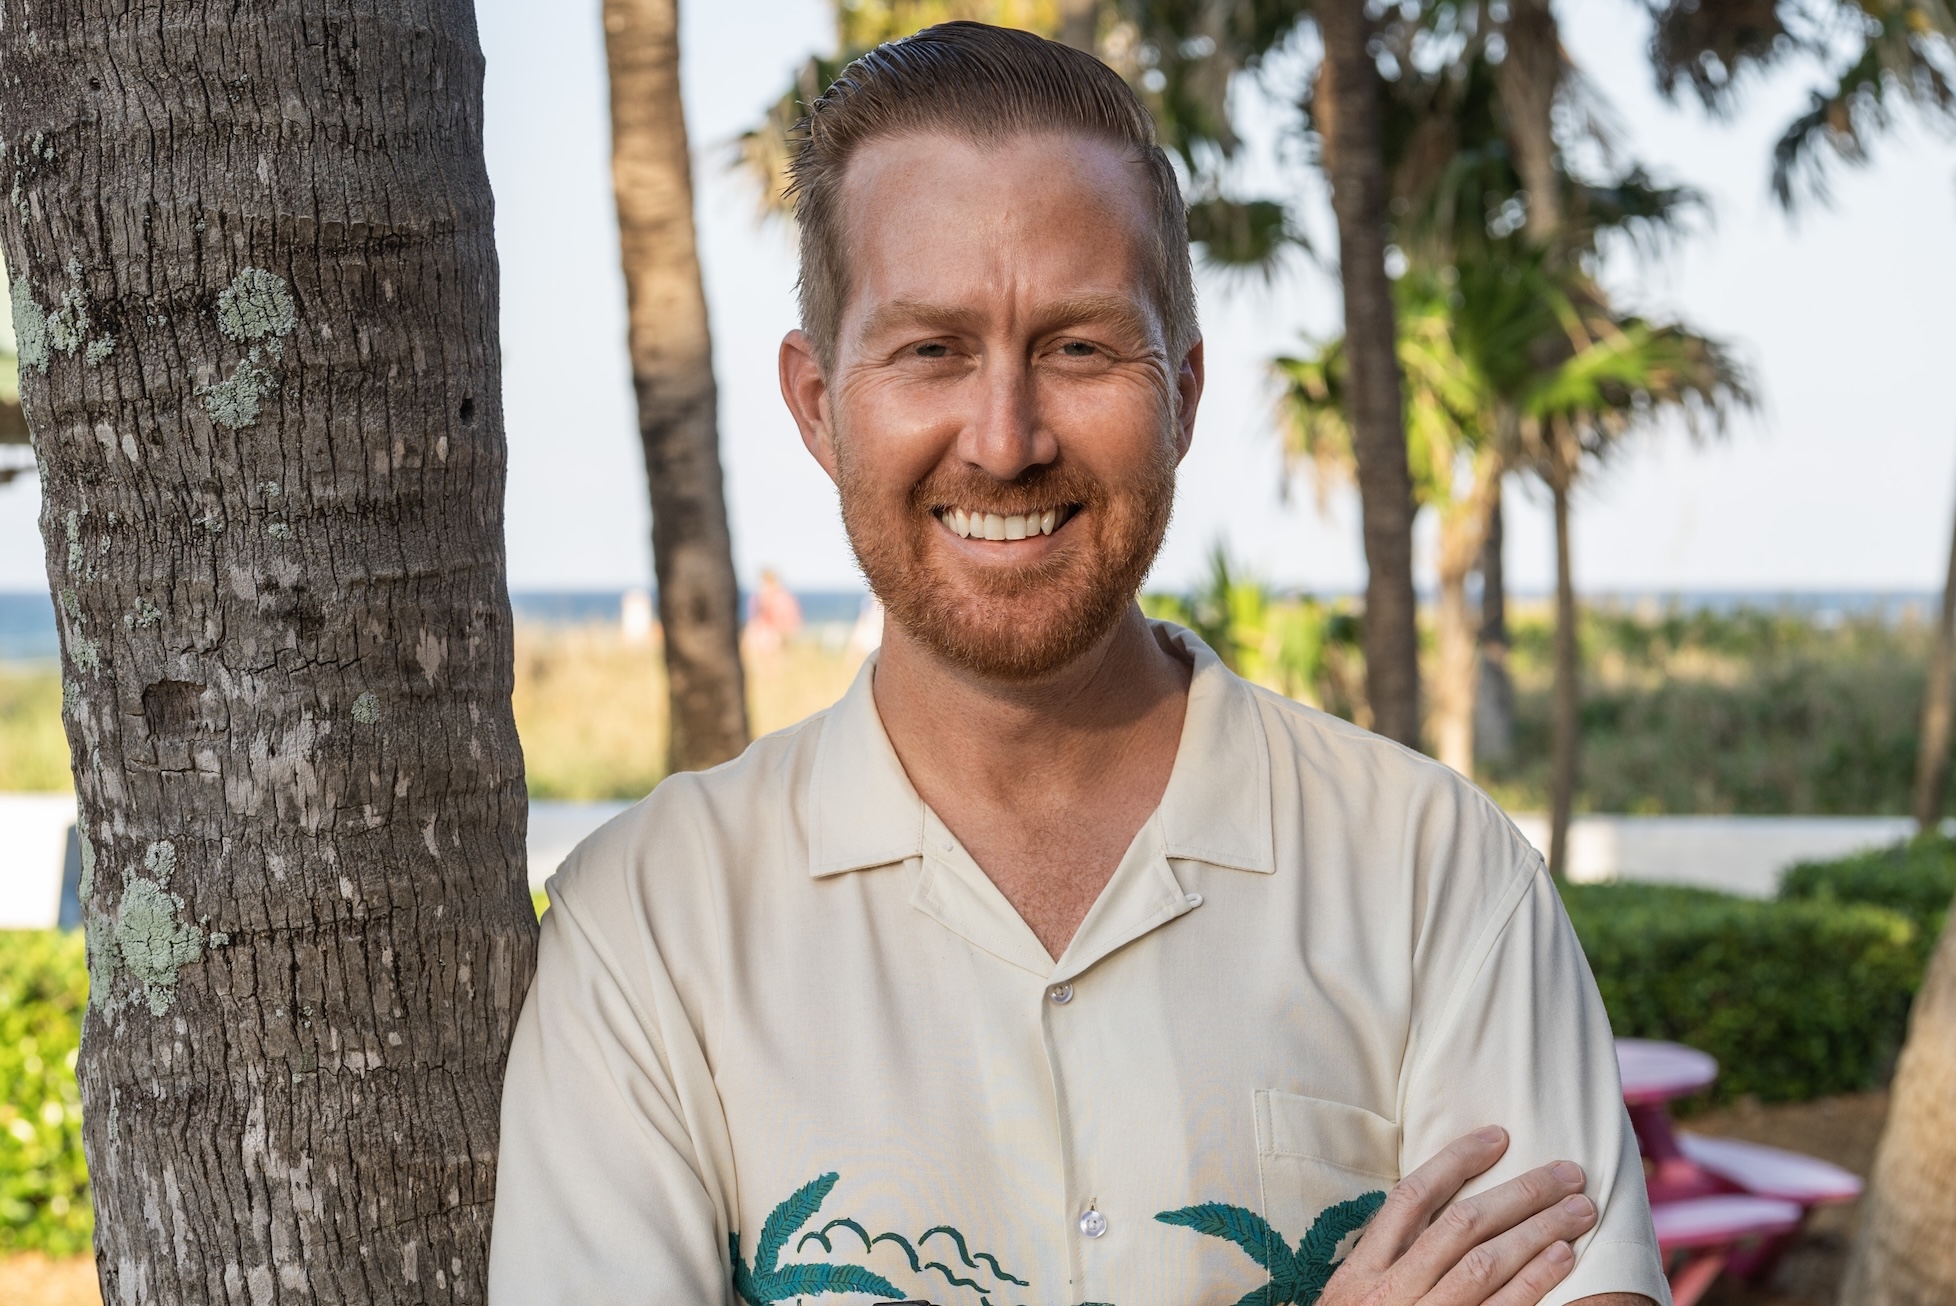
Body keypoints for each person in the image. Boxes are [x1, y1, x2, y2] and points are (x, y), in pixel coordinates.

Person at [491, 23, 1665, 1306]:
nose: (1003, 442)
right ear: (819, 403)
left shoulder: (1432, 875)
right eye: (931, 349)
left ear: (1184, 394)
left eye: (1079, 347)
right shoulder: (649, 929)